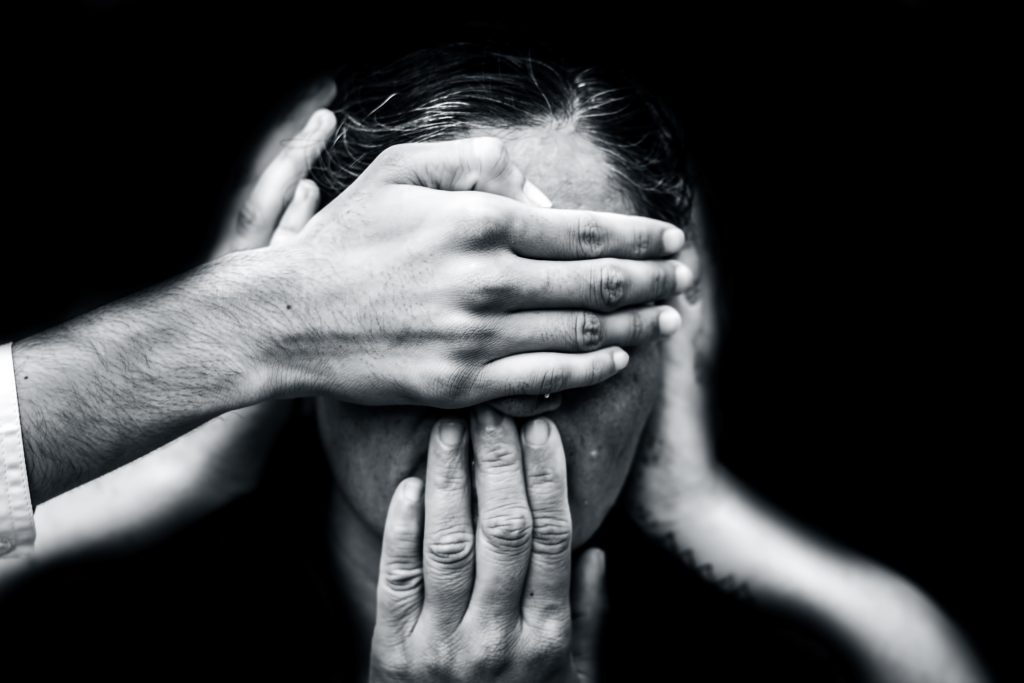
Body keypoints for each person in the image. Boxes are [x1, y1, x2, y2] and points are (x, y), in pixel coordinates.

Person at [1, 44, 988, 683]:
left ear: (672, 341)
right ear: (299, 350)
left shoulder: (794, 663)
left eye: (566, 336)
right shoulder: (101, 639)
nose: (497, 397)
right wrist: (178, 456)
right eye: (423, 336)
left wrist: (717, 520)